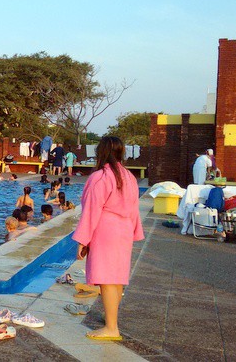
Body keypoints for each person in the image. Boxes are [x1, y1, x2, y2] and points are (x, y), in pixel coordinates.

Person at [73, 136, 143, 341]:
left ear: (100, 152)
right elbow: (134, 209)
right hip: (123, 230)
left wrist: (83, 239)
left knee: (106, 278)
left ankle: (112, 327)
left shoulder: (101, 176)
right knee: (116, 278)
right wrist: (134, 231)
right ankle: (111, 323)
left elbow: (91, 210)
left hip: (106, 231)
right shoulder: (129, 176)